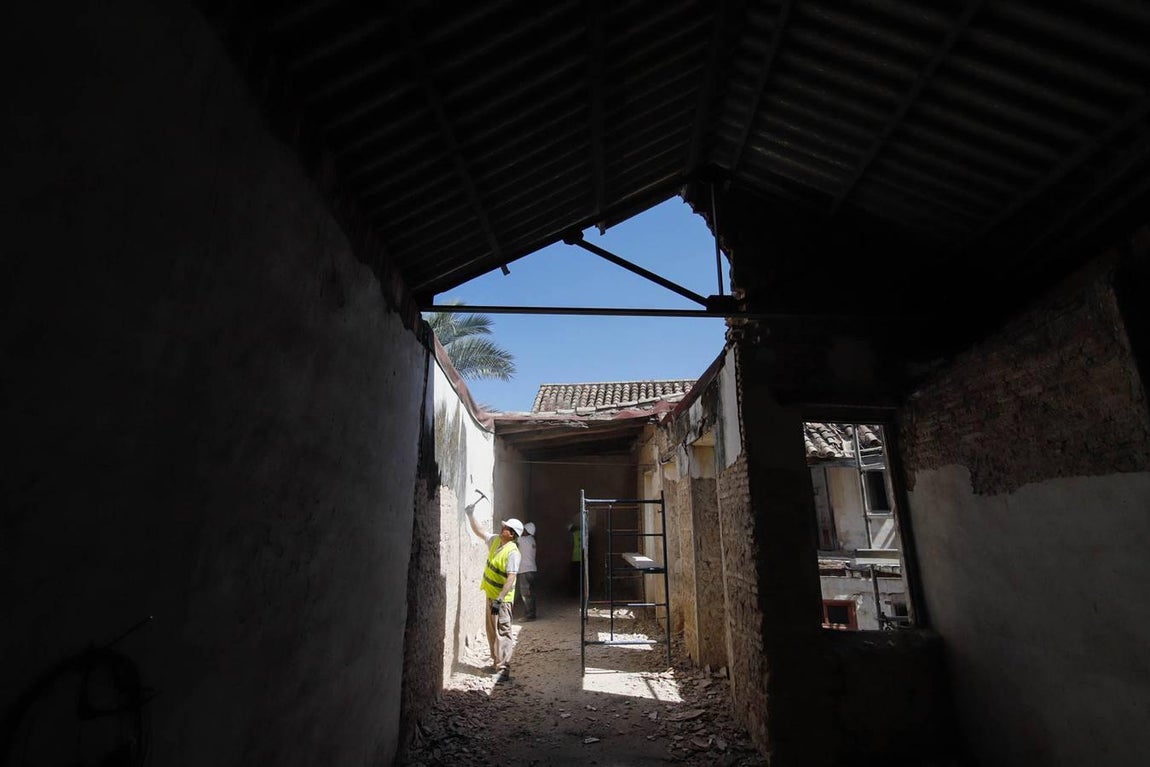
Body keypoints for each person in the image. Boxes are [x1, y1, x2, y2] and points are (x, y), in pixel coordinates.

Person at [464, 503, 524, 683]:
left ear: (512, 534)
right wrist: (470, 515)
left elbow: (511, 578)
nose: (502, 527)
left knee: (503, 631)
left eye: (506, 527)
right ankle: (496, 662)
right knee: (491, 630)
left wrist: (499, 598)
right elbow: (480, 531)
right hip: (491, 595)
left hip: (502, 600)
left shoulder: (513, 553)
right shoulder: (497, 540)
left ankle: (504, 669)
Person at [517, 522, 538, 620]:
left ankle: (529, 615)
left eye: (523, 529)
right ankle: (532, 613)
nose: (522, 531)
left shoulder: (523, 540)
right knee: (531, 593)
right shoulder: (532, 540)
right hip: (532, 569)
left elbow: (514, 538)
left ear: (527, 531)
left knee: (526, 594)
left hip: (525, 570)